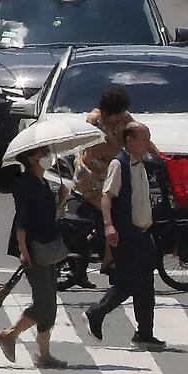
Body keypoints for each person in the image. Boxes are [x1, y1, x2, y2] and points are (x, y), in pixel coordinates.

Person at [84, 122, 166, 351]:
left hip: (143, 234)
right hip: (126, 234)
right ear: (130, 140)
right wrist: (109, 226)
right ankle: (95, 314)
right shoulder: (119, 164)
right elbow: (107, 197)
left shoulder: (141, 163)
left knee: (146, 284)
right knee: (128, 282)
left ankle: (144, 333)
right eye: (144, 139)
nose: (148, 144)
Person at [74, 88, 160, 283]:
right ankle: (109, 258)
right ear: (106, 113)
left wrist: (158, 156)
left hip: (112, 174)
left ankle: (106, 254)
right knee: (113, 213)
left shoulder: (123, 117)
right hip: (92, 178)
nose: (119, 119)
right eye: (115, 115)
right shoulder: (94, 120)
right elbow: (100, 147)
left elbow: (140, 135)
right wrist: (126, 149)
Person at [0, 146, 69, 369]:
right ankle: (9, 334)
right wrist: (23, 250)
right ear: (30, 158)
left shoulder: (43, 182)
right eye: (42, 153)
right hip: (33, 249)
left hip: (46, 246)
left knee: (50, 302)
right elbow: (22, 221)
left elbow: (48, 216)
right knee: (44, 303)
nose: (46, 157)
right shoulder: (27, 184)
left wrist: (60, 199)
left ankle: (44, 355)